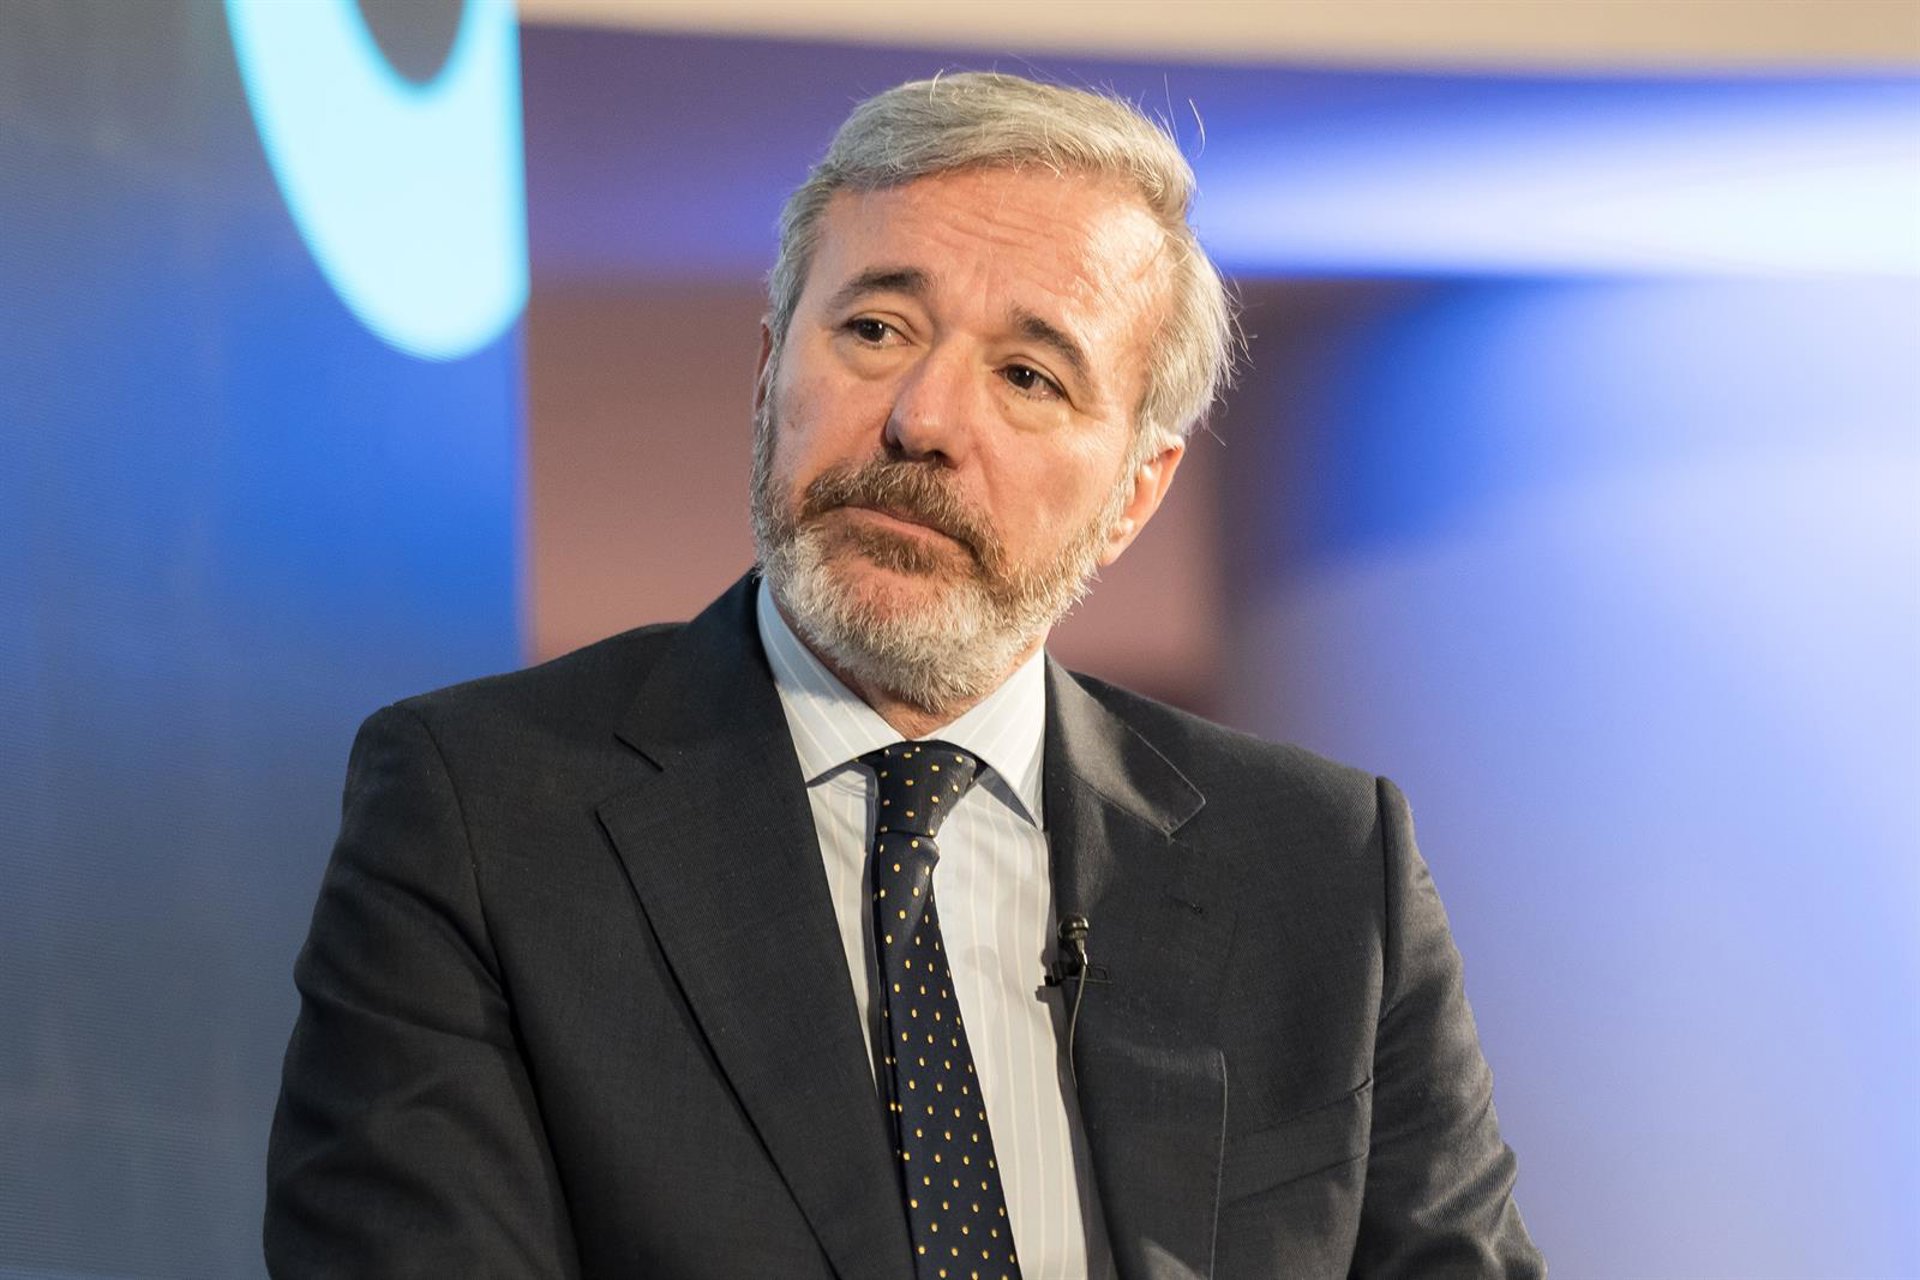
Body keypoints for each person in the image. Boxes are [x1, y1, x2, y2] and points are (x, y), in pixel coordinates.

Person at [265, 72, 1543, 1279]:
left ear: (1134, 492)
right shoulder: (486, 814)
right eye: (875, 328)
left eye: (1029, 376)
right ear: (770, 370)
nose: (923, 419)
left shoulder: (1324, 868)